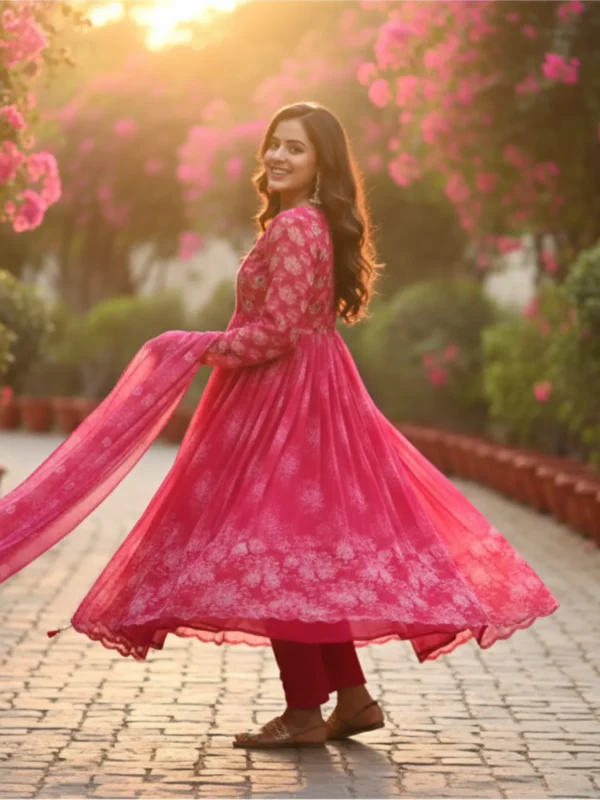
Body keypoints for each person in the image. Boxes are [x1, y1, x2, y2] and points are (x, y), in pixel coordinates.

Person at [0, 102, 559, 751]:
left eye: (295, 148)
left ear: (320, 161)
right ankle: (350, 700)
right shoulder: (309, 222)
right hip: (304, 399)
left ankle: (303, 712)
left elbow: (276, 335)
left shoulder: (297, 226)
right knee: (297, 555)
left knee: (274, 554)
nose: (278, 156)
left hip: (290, 406)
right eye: (274, 144)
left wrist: (189, 346)